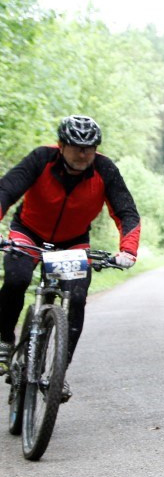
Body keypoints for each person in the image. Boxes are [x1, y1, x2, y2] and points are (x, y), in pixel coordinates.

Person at [0, 115, 140, 400]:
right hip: (29, 232)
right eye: (77, 146)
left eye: (90, 147)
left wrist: (127, 250)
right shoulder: (42, 159)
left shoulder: (105, 169)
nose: (84, 153)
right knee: (17, 278)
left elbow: (127, 212)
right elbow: (6, 191)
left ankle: (58, 374)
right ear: (61, 145)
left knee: (76, 299)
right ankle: (4, 339)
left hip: (73, 243)